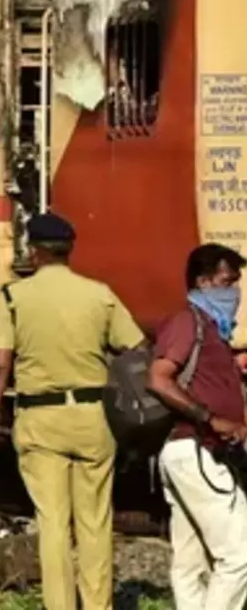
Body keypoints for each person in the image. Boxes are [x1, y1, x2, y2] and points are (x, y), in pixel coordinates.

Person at [0, 212, 144, 610]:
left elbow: (1, 364)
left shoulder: (14, 297)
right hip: (93, 418)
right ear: (69, 251)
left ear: (34, 252)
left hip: (41, 420)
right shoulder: (99, 294)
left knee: (52, 524)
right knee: (95, 522)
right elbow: (136, 348)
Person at [148, 243, 247, 610]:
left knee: (191, 563)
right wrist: (212, 419)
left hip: (192, 453)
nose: (234, 292)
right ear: (204, 282)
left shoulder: (213, 331)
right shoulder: (188, 321)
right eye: (227, 282)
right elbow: (158, 379)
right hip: (195, 450)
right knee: (240, 555)